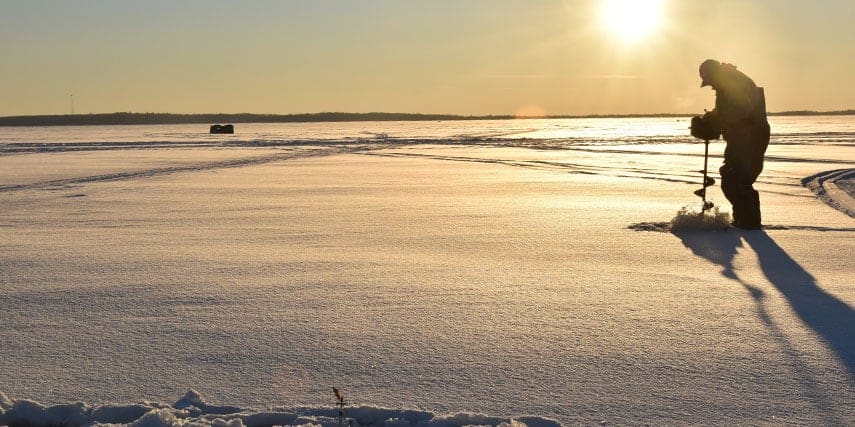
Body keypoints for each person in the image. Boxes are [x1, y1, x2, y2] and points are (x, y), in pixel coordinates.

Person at [696, 59, 770, 229]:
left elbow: (742, 108)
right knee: (732, 177)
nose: (711, 87)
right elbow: (731, 109)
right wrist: (712, 117)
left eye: (710, 82)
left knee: (737, 178)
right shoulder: (727, 82)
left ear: (714, 75)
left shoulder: (731, 81)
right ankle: (743, 221)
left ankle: (749, 224)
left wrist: (717, 120)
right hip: (742, 137)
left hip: (751, 136)